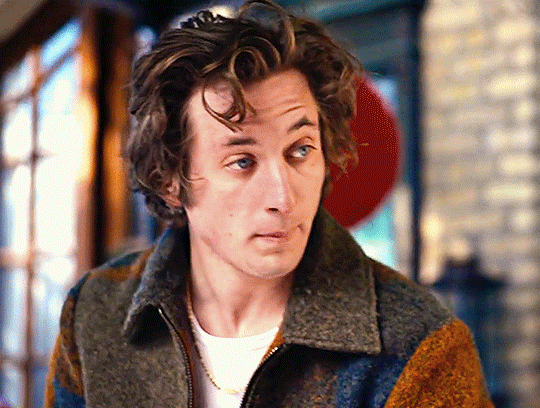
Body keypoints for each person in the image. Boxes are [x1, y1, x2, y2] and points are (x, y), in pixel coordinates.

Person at [45, 1, 494, 407]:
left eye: (300, 150)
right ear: (169, 181)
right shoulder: (95, 314)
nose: (283, 197)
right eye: (242, 161)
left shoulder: (419, 348)